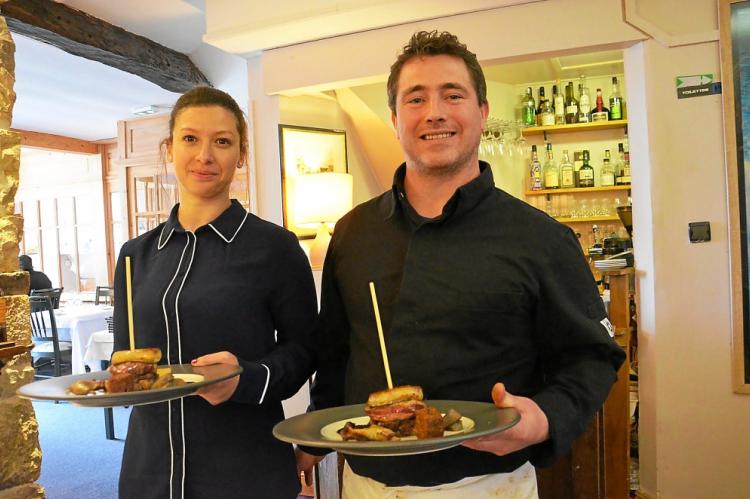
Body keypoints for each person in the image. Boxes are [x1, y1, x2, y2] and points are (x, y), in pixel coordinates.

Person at [296, 31, 626, 498]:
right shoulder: (352, 233)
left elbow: (592, 358)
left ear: (482, 112)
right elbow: (335, 355)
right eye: (416, 99)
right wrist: (310, 445)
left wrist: (544, 417)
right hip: (365, 486)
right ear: (394, 118)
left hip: (488, 485)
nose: (434, 112)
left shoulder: (541, 238)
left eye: (453, 95)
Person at [112, 86, 317, 499]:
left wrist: (244, 379)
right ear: (170, 149)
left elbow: (307, 351)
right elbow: (124, 360)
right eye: (190, 139)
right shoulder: (135, 255)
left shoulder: (275, 248)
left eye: (222, 142)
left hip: (244, 470)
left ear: (241, 154)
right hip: (149, 472)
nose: (204, 155)